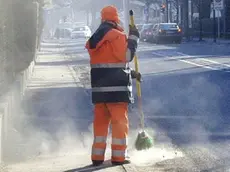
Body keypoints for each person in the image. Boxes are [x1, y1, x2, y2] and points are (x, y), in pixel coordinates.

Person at [85, 5, 141, 166]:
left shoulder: (95, 39)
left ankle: (97, 157)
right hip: (117, 91)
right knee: (119, 123)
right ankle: (118, 157)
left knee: (100, 124)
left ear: (102, 19)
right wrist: (134, 39)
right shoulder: (117, 35)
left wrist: (131, 74)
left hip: (99, 91)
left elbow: (108, 64)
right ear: (115, 18)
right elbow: (126, 56)